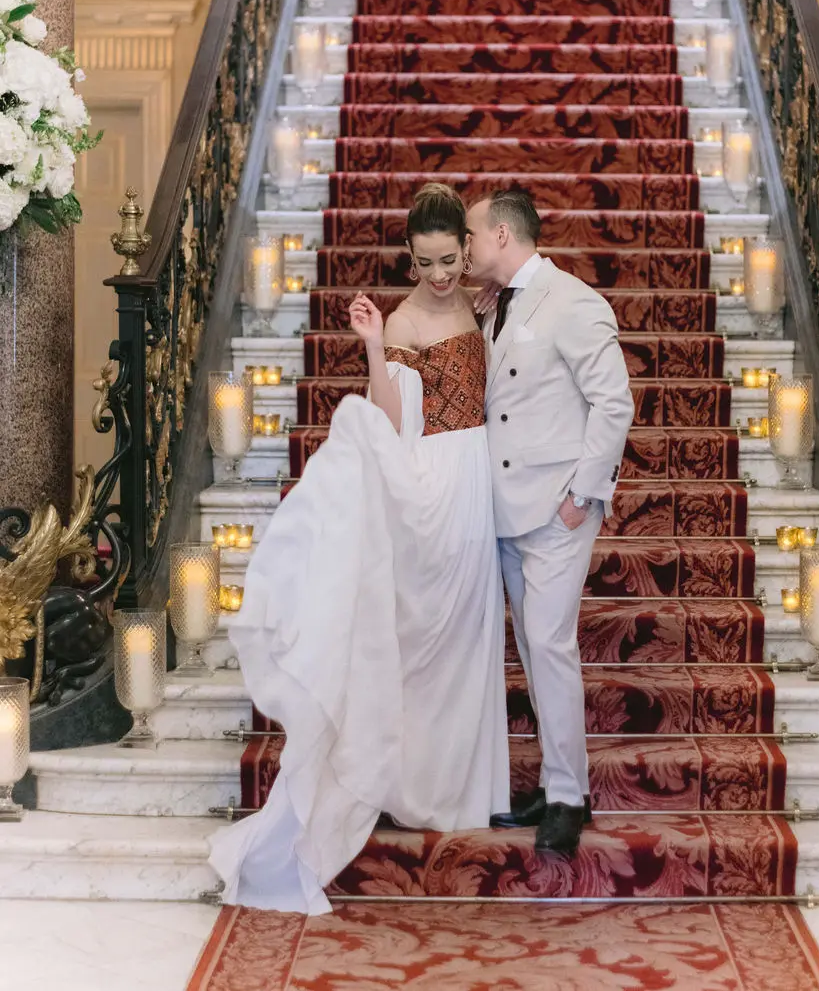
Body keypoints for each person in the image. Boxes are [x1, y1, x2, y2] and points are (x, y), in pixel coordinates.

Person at [208, 183, 510, 914]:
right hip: (433, 477)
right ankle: (408, 786)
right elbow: (388, 416)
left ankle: (469, 790)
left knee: (474, 638)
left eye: (450, 260)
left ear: (466, 250)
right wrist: (376, 346)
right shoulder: (404, 317)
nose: (440, 274)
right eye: (427, 261)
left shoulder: (481, 301)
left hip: (479, 477)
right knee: (423, 643)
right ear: (408, 256)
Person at [465, 188, 634, 858]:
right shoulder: (498, 306)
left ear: (502, 234)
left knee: (550, 642)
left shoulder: (572, 300)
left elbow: (613, 403)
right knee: (535, 651)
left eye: (473, 234)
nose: (469, 245)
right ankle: (558, 780)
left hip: (557, 507)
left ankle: (569, 797)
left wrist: (583, 493)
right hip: (506, 507)